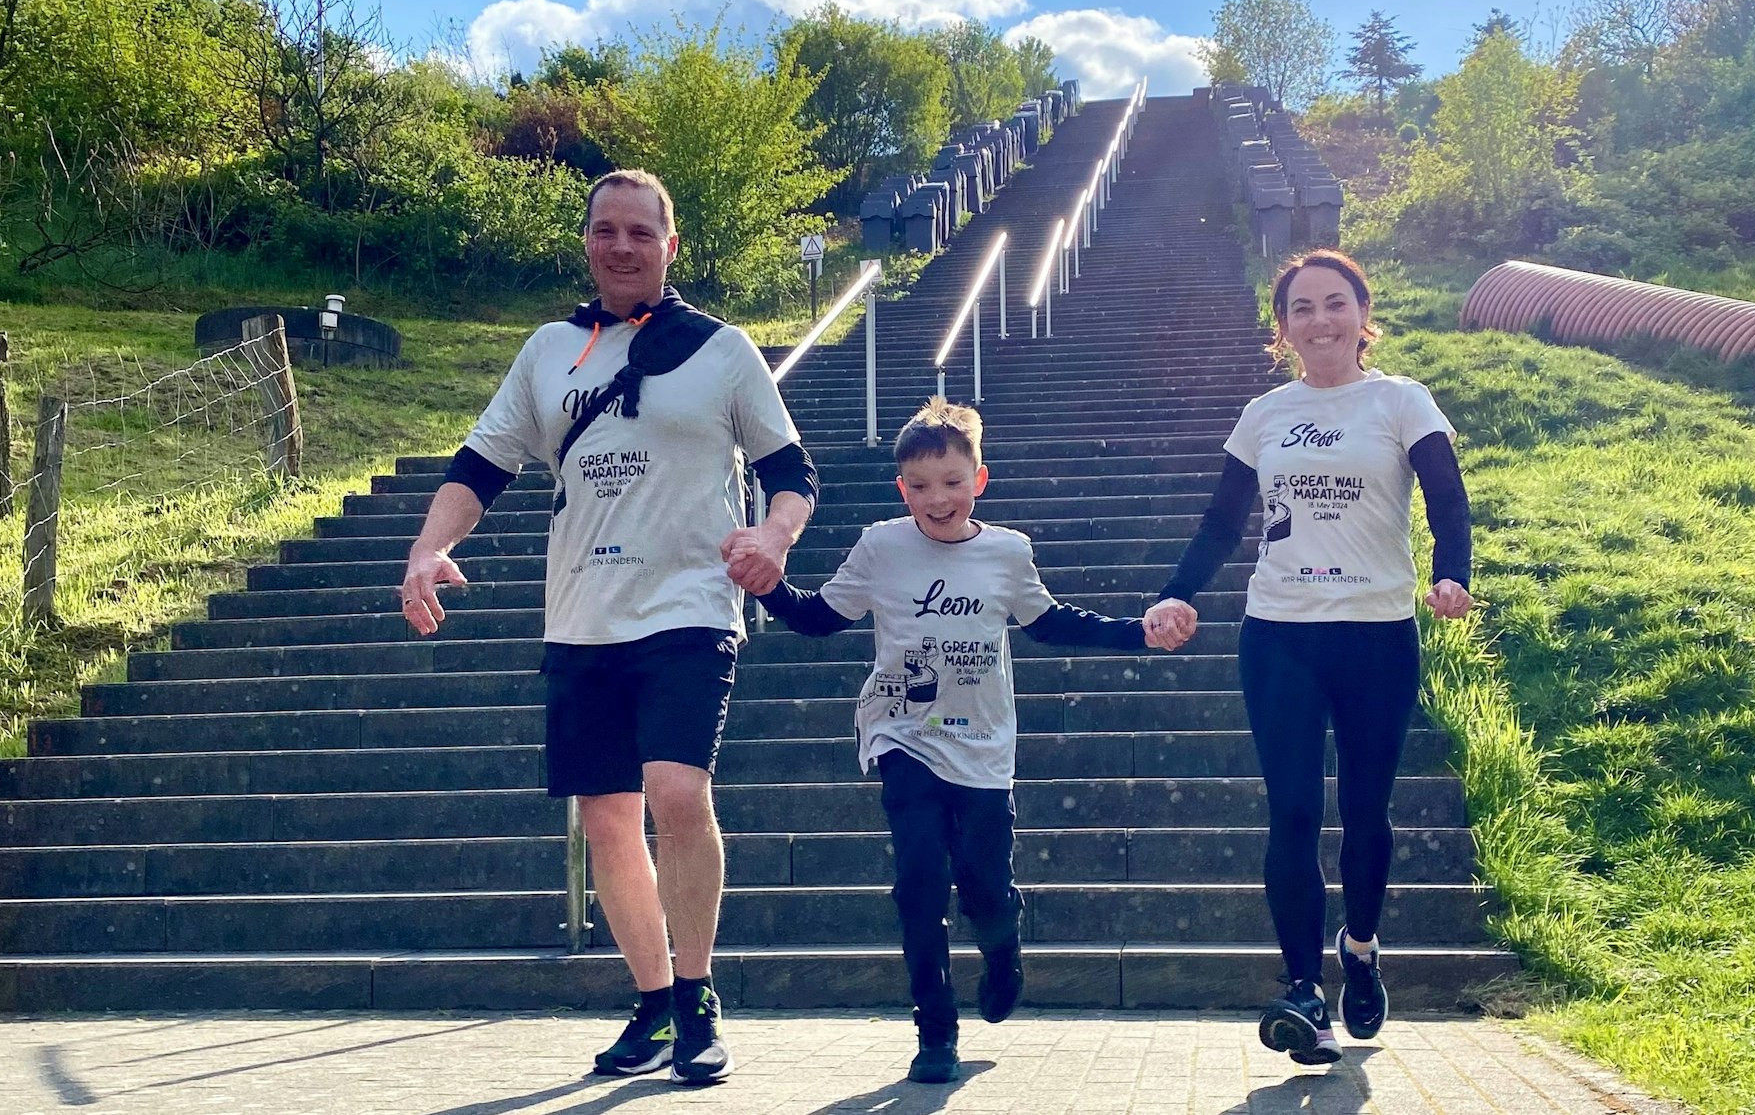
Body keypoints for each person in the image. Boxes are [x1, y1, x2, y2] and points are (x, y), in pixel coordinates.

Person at [399, 169, 818, 1087]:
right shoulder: (551, 349)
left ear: (671, 246)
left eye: (641, 231)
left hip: (689, 605)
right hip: (583, 612)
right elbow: (482, 462)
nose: (622, 246)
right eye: (605, 230)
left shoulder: (722, 349)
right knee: (606, 816)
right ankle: (654, 999)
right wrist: (428, 549)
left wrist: (773, 536)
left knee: (674, 788)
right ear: (586, 241)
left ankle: (700, 995)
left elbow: (794, 472)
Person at [730, 398, 1172, 1084]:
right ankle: (935, 1029)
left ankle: (1002, 948)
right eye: (921, 485)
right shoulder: (882, 545)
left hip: (984, 749)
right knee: (919, 879)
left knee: (985, 885)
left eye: (952, 482)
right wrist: (768, 586)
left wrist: (1133, 631)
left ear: (979, 481)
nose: (938, 498)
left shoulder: (1006, 552)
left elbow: (1050, 622)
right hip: (902, 731)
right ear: (901, 488)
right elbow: (821, 617)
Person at [1142, 249, 1473, 1066]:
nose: (1320, 320)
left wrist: (1452, 573)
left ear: (1364, 315)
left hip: (1376, 633)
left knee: (1365, 812)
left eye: (1335, 304)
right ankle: (1301, 989)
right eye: (1301, 308)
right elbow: (1223, 521)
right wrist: (1179, 590)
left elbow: (1446, 492)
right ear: (1283, 328)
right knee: (1291, 810)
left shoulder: (1401, 400)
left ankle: (1359, 949)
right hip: (1280, 631)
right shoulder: (1265, 413)